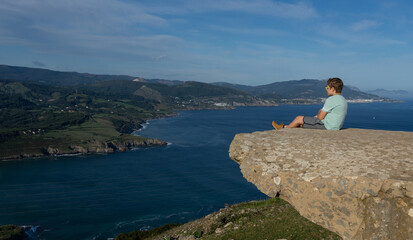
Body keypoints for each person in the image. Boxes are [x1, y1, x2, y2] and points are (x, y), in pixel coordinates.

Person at [272, 77, 348, 130]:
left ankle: (283, 128)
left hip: (327, 126)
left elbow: (320, 118)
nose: (326, 90)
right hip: (336, 126)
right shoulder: (343, 99)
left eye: (327, 88)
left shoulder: (331, 99)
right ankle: (287, 127)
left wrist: (319, 112)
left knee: (298, 118)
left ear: (332, 89)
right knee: (303, 124)